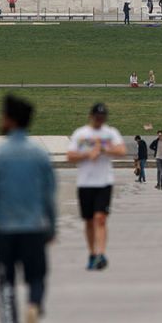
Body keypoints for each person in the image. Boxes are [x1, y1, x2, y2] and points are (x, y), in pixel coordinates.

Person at [0, 94, 56, 323]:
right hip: (34, 228)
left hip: (5, 231)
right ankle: (34, 303)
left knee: (6, 283)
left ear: (9, 120)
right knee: (37, 276)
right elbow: (49, 195)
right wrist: (51, 227)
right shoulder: (40, 155)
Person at [66, 103, 127, 270]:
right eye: (97, 117)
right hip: (85, 183)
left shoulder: (110, 133)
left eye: (102, 118)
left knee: (100, 218)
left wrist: (104, 150)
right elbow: (70, 156)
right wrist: (87, 153)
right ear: (91, 116)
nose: (99, 120)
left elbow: (122, 150)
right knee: (88, 221)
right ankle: (92, 253)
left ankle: (101, 253)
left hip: (104, 182)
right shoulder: (81, 134)